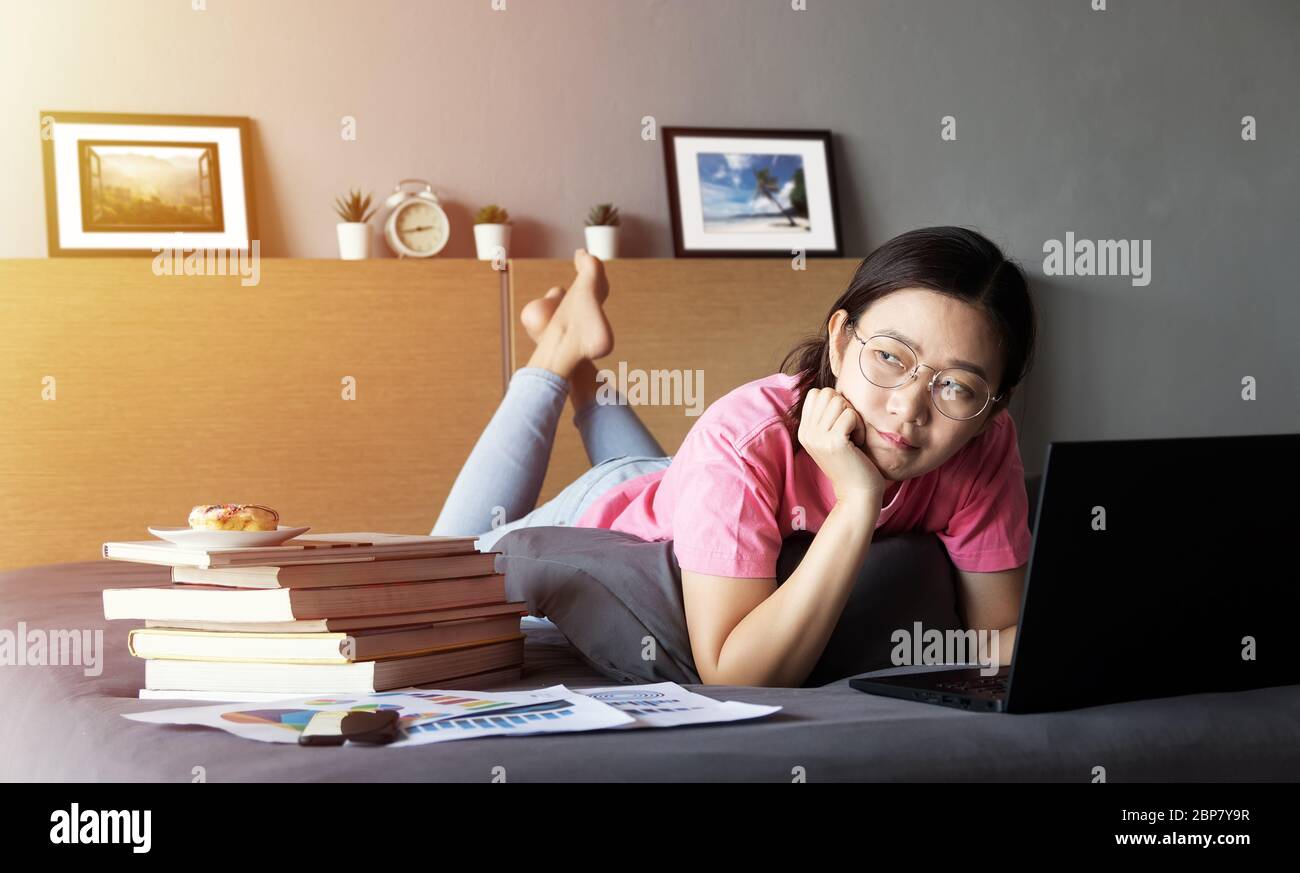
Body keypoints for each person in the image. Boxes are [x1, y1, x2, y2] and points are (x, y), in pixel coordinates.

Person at [433, 226, 1038, 687]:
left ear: (993, 404)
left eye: (956, 386)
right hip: (613, 506)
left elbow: (994, 637)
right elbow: (736, 675)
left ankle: (579, 360)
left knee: (676, 471)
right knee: (434, 562)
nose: (909, 408)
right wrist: (858, 502)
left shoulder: (985, 444)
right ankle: (560, 347)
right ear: (838, 337)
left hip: (681, 482)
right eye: (889, 356)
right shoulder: (744, 434)